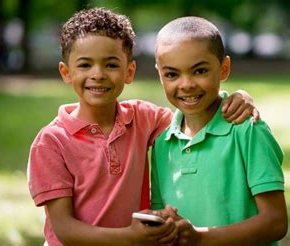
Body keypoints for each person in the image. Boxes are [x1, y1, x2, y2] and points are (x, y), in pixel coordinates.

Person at [27, 7, 259, 246]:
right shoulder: (51, 142)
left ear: (129, 71)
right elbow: (65, 230)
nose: (98, 74)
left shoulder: (143, 118)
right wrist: (129, 237)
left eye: (111, 65)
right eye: (85, 65)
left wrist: (239, 96)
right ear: (66, 73)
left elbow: (195, 112)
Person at [151, 16, 288, 245]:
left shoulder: (247, 129)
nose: (186, 85)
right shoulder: (162, 142)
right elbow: (162, 214)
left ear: (224, 69)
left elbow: (275, 222)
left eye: (200, 71)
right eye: (172, 74)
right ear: (160, 75)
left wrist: (200, 238)